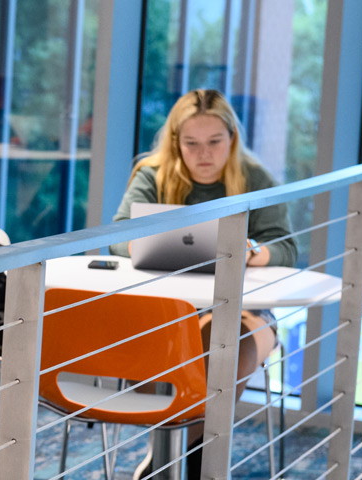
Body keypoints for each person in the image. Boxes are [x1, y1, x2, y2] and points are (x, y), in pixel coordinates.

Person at [108, 89, 297, 480]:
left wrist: (249, 252)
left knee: (228, 343)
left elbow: (286, 249)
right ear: (175, 142)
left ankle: (174, 458)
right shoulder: (153, 175)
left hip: (244, 311)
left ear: (232, 138)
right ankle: (186, 458)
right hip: (168, 313)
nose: (203, 155)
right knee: (173, 344)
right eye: (191, 144)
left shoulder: (255, 178)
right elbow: (118, 238)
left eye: (214, 142)